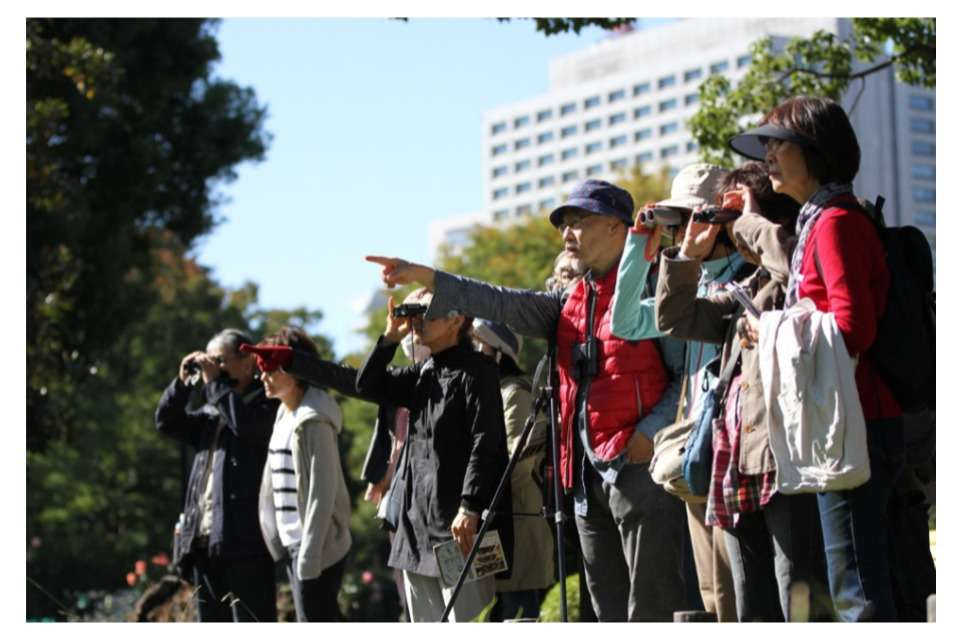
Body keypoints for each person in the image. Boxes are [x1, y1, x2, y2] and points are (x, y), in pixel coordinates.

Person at [366, 178, 688, 622]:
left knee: (653, 603)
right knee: (608, 606)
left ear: (618, 228)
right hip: (583, 473)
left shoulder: (656, 287)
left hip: (639, 468)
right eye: (564, 225)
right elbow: (496, 300)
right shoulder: (566, 302)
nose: (567, 233)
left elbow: (685, 376)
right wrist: (423, 275)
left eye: (580, 221)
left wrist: (649, 434)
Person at [728, 96, 903, 621]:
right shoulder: (820, 219)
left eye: (780, 144)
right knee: (859, 577)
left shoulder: (834, 223)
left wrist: (773, 326)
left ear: (817, 150)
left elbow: (853, 329)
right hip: (846, 416)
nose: (768, 157)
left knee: (856, 590)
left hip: (855, 421)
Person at [656, 163, 834, 621]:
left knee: (795, 590)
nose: (729, 226)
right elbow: (675, 318)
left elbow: (797, 272)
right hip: (738, 458)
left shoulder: (792, 275)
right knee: (749, 601)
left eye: (738, 215)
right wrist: (685, 259)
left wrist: (751, 221)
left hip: (786, 458)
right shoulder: (749, 287)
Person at [609, 162, 742, 622]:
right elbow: (623, 323)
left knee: (741, 595)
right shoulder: (687, 285)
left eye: (693, 219)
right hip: (693, 456)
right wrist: (637, 248)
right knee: (711, 593)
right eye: (676, 223)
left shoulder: (747, 275)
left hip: (736, 452)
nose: (683, 233)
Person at [356, 288, 512, 622]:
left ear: (456, 320)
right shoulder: (424, 372)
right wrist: (389, 337)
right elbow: (367, 385)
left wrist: (470, 506)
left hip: (459, 529)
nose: (417, 321)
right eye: (415, 314)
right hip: (414, 531)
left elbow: (487, 444)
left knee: (467, 622)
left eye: (426, 314)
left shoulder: (479, 371)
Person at [154, 328, 278, 622]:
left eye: (220, 360)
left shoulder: (268, 404)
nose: (214, 368)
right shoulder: (212, 411)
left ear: (248, 361)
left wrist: (214, 386)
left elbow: (246, 426)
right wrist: (183, 383)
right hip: (204, 543)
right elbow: (166, 422)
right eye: (209, 361)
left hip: (247, 544)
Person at [250, 326, 352, 622]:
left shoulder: (314, 420)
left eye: (270, 369)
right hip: (294, 544)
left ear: (295, 371)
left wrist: (310, 554)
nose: (263, 377)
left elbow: (323, 491)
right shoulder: (283, 416)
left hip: (317, 547)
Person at [472, 319, 554, 621]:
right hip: (496, 515)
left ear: (498, 351)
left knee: (519, 609)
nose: (475, 349)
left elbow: (515, 459)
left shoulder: (513, 392)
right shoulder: (490, 390)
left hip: (515, 513)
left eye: (480, 342)